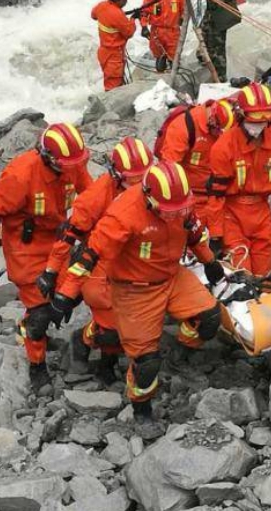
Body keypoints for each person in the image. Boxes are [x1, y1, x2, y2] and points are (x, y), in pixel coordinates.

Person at [63, 161, 224, 435]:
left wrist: (209, 261)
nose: (173, 216)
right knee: (146, 362)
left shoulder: (178, 201)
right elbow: (91, 255)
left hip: (172, 275)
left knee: (209, 319)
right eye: (167, 212)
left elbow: (194, 232)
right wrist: (65, 294)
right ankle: (142, 408)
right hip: (135, 289)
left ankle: (178, 358)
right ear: (149, 197)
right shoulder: (124, 214)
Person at [0, 123, 92, 392]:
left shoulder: (71, 165)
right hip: (25, 250)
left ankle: (33, 324)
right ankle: (36, 363)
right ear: (49, 157)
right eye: (68, 164)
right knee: (40, 313)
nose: (74, 168)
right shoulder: (21, 175)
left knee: (75, 292)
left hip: (58, 242)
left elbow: (92, 196)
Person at [41, 137, 153, 383]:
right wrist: (52, 274)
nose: (137, 186)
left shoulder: (153, 190)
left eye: (141, 180)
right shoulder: (95, 198)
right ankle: (88, 343)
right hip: (101, 262)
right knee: (111, 326)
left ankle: (107, 359)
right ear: (116, 174)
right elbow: (67, 240)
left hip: (138, 258)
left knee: (135, 316)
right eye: (132, 181)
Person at [206, 82, 271, 275]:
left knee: (262, 273)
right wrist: (215, 236)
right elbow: (215, 195)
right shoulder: (225, 147)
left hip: (262, 212)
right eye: (255, 118)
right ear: (241, 114)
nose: (260, 124)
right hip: (232, 214)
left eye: (265, 119)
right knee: (243, 272)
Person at [157, 99, 235, 223]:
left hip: (221, 195)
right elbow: (168, 170)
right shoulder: (183, 126)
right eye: (218, 132)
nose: (220, 138)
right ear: (212, 121)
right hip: (192, 196)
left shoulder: (232, 127)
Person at [91, 0, 137, 90]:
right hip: (114, 56)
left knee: (113, 81)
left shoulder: (102, 5)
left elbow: (93, 15)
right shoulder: (117, 14)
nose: (126, 1)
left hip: (104, 52)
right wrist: (133, 18)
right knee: (113, 87)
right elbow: (129, 32)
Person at [140, 0, 185, 73]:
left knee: (174, 60)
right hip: (157, 32)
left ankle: (174, 79)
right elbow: (144, 12)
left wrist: (182, 19)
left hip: (173, 32)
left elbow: (184, 10)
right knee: (160, 61)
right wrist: (144, 26)